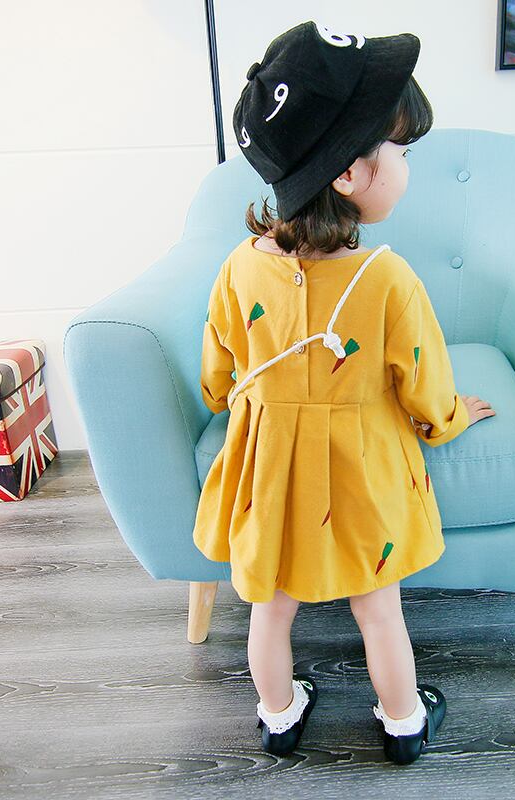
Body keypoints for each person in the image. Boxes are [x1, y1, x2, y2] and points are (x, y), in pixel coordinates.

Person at [192, 20, 496, 765]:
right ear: (350, 174)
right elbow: (424, 385)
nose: (407, 166)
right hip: (361, 473)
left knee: (269, 609)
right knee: (379, 611)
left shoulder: (240, 265)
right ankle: (403, 725)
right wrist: (451, 419)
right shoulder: (386, 278)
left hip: (271, 470)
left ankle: (278, 716)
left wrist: (224, 400)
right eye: (401, 151)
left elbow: (219, 368)